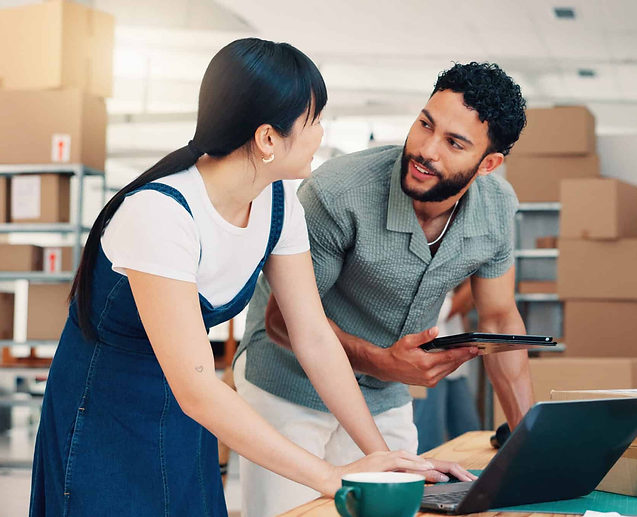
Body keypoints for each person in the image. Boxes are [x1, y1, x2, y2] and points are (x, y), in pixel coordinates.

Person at [29, 39, 435, 517]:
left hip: (186, 412)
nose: (320, 135)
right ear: (267, 138)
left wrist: (379, 457)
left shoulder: (278, 204)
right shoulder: (160, 214)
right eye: (314, 121)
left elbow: (312, 337)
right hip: (107, 415)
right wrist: (331, 478)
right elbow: (198, 389)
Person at [235, 61, 535, 515]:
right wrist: (382, 360)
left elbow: (498, 320)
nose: (426, 149)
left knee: (402, 506)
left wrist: (529, 448)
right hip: (287, 380)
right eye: (425, 124)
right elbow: (283, 321)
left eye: (454, 143)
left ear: (488, 163)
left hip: (382, 391)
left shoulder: (495, 210)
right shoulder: (340, 192)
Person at [412, 279, 482, 453]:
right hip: (429, 359)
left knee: (469, 433)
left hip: (453, 363)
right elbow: (439, 313)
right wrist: (475, 283)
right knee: (429, 439)